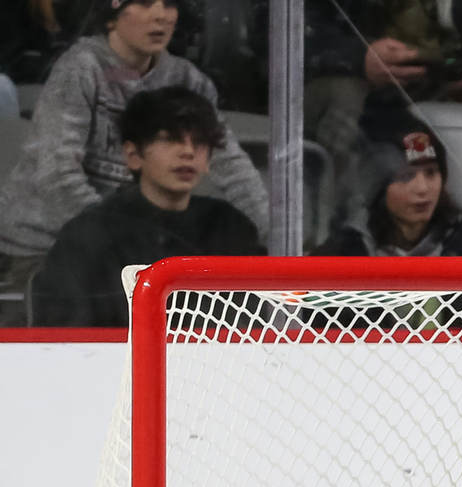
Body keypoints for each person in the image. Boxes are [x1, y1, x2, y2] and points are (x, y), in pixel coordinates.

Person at [0, 0, 266, 323]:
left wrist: (278, 241)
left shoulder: (187, 80)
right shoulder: (80, 69)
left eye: (169, 4)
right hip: (46, 248)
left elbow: (234, 168)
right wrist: (118, 239)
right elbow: (56, 175)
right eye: (143, 3)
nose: (160, 15)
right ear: (110, 16)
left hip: (137, 250)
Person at [302, 0, 462, 223]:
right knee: (344, 99)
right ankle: (341, 235)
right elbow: (280, 30)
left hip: (451, 77)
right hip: (351, 78)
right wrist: (359, 58)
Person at [32, 86, 261, 327]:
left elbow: (253, 328)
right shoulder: (88, 235)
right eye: (170, 139)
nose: (188, 151)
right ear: (133, 155)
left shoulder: (231, 228)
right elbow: (66, 340)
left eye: (200, 142)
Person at [315, 121, 462, 256]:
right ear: (377, 184)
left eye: (431, 173)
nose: (423, 188)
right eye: (406, 176)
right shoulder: (346, 251)